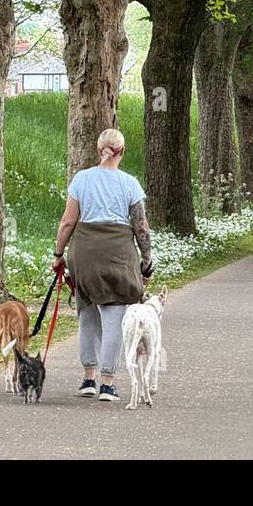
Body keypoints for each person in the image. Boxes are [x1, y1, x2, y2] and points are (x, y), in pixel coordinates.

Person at [52, 128, 153, 401]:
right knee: (114, 319)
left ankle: (88, 378)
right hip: (117, 252)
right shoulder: (130, 183)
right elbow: (140, 226)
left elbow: (68, 222)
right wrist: (147, 260)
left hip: (84, 253)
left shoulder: (81, 179)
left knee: (87, 315)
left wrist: (59, 254)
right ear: (122, 151)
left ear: (99, 150)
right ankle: (108, 383)